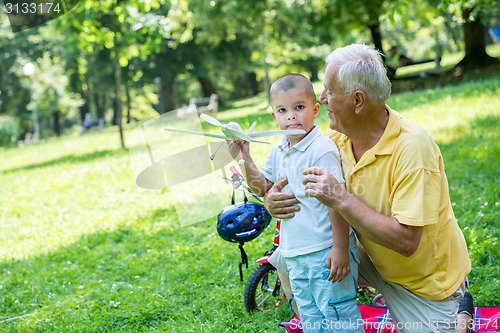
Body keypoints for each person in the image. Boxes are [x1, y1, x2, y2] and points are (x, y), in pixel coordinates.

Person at [264, 44, 471, 333]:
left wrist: (340, 197)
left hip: (422, 281)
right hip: (366, 253)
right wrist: (270, 199)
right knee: (288, 258)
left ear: (358, 101)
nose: (322, 99)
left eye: (329, 92)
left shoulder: (412, 148)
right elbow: (291, 179)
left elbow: (406, 242)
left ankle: (461, 307)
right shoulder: (335, 139)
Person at [229, 73, 364, 333]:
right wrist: (243, 157)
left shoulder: (320, 149)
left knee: (339, 317)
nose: (291, 116)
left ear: (315, 111)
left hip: (324, 252)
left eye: (299, 108)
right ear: (274, 117)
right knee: (310, 317)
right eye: (283, 110)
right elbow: (264, 188)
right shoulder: (279, 149)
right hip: (295, 253)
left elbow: (336, 201)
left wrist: (340, 248)